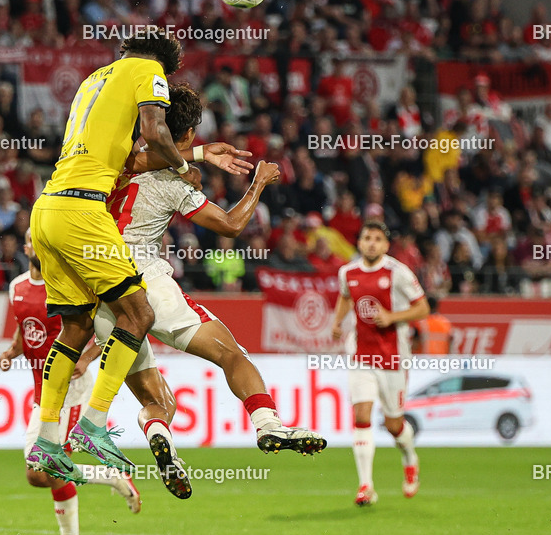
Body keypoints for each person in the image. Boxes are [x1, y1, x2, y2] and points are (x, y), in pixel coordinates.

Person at [85, 83, 326, 499]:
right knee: (232, 353)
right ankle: (268, 424)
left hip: (104, 293)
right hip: (148, 285)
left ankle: (162, 441)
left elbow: (151, 157)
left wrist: (191, 162)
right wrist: (260, 183)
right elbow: (231, 225)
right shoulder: (173, 186)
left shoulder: (115, 163)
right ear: (189, 134)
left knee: (160, 402)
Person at [25, 28, 203, 483]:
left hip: (47, 209)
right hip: (85, 209)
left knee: (76, 325)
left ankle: (47, 442)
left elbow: (126, 155)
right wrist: (186, 168)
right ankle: (93, 424)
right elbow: (153, 129)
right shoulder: (149, 71)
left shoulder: (93, 80)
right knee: (138, 312)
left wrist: (194, 153)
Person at [0, 230, 141, 535]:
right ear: (26, 247)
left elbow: (105, 326)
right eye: (34, 240)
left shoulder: (67, 284)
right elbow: (25, 327)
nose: (40, 245)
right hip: (43, 393)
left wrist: (87, 358)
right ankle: (110, 477)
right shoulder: (17, 287)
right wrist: (11, 351)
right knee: (38, 474)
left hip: (71, 391)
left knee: (45, 467)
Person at [330, 221, 429, 506]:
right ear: (359, 243)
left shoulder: (397, 273)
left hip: (393, 358)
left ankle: (410, 458)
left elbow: (422, 307)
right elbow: (346, 298)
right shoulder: (347, 272)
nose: (371, 243)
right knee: (361, 416)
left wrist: (392, 318)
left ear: (386, 245)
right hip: (361, 356)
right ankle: (366, 486)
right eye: (366, 238)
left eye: (377, 239)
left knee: (393, 423)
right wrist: (337, 322)